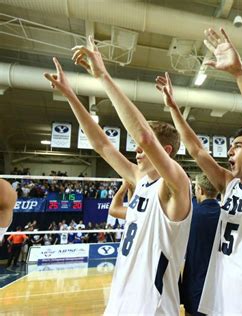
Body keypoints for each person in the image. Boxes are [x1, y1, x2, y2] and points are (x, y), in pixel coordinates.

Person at [44, 37, 192, 315]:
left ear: (166, 150)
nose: (135, 148)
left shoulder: (175, 186)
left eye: (141, 145)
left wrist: (103, 76)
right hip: (121, 300)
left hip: (153, 307)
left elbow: (146, 138)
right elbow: (102, 145)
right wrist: (71, 96)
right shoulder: (140, 180)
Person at [156, 28, 242, 315]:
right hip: (224, 299)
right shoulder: (230, 184)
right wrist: (173, 110)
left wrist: (240, 73)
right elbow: (196, 151)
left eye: (237, 146)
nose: (229, 151)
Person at [180, 174, 221, 316]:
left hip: (194, 283)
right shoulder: (225, 214)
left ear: (200, 190)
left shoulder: (191, 213)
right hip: (219, 285)